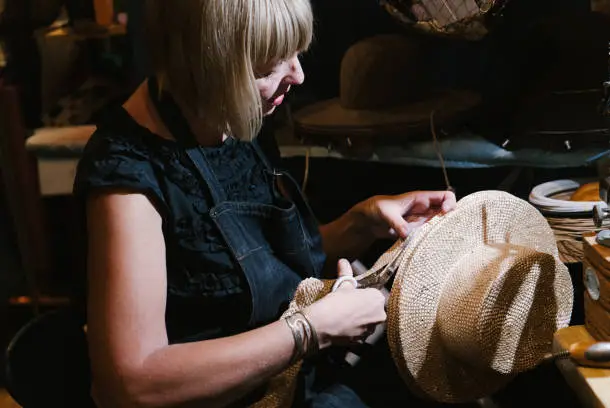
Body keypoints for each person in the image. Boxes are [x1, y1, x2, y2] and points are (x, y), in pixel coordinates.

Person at [73, 1, 456, 407]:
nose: (298, 75)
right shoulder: (128, 177)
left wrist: (361, 223)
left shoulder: (229, 117)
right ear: (208, 65)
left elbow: (258, 269)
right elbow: (131, 383)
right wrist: (310, 330)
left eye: (296, 53)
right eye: (268, 66)